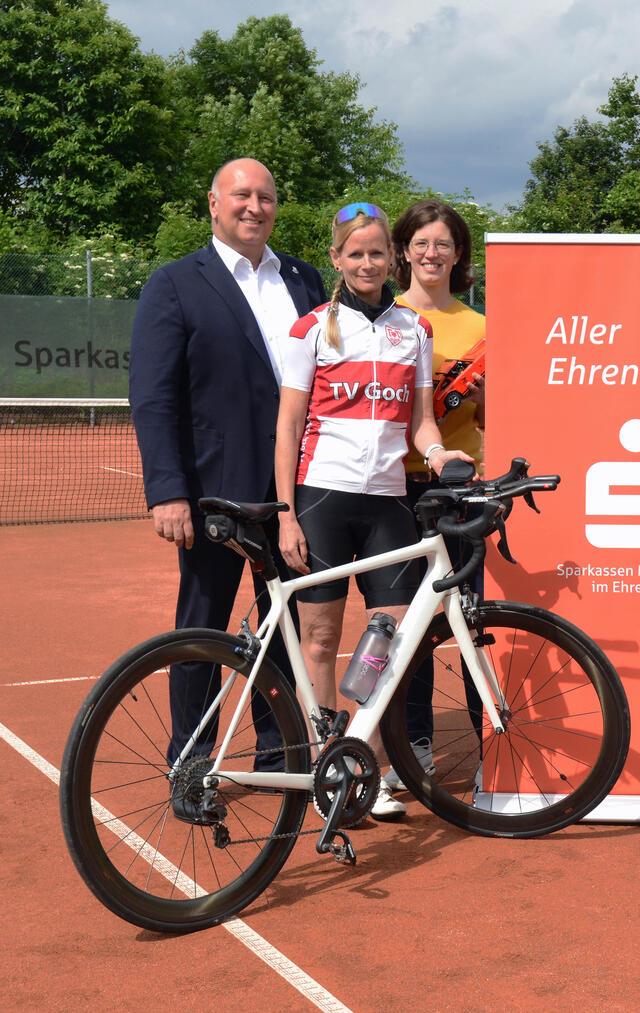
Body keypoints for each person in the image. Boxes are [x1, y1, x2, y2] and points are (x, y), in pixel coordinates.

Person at [274, 202, 473, 821]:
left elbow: (421, 421)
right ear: (336, 259)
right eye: (354, 253)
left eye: (377, 252)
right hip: (321, 497)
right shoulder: (312, 329)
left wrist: (440, 454)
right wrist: (285, 512)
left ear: (393, 258)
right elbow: (287, 428)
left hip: (388, 500)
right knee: (322, 637)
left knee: (389, 637)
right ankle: (325, 759)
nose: (367, 262)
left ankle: (367, 760)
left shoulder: (414, 330)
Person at [129, 157, 327, 766]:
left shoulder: (305, 278)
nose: (255, 207)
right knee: (203, 631)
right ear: (213, 204)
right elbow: (154, 395)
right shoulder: (175, 282)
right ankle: (191, 759)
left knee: (285, 626)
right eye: (241, 195)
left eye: (266, 197)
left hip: (297, 491)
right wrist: (168, 490)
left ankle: (277, 755)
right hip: (215, 493)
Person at [382, 198, 487, 799]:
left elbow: (492, 414)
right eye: (420, 242)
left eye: (442, 243)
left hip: (460, 491)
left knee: (470, 618)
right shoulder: (380, 316)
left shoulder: (481, 328)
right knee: (409, 624)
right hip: (394, 490)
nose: (431, 253)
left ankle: (490, 747)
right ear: (403, 252)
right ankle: (414, 744)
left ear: (458, 254)